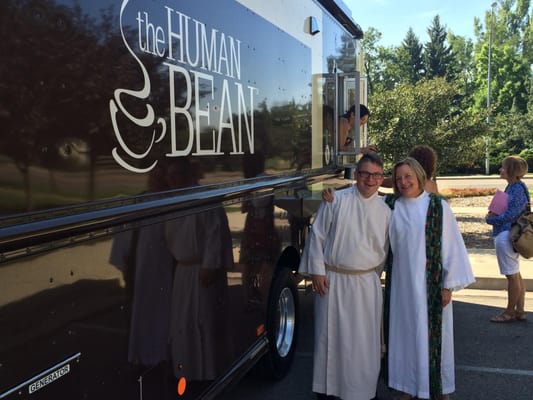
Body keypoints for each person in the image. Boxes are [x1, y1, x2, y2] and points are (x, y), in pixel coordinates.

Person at [299, 153, 392, 400]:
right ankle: (329, 391)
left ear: (382, 178)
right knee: (330, 339)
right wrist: (317, 271)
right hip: (333, 281)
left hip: (365, 284)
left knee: (363, 343)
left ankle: (362, 393)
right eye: (364, 174)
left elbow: (384, 250)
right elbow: (318, 235)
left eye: (375, 175)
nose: (369, 180)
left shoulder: (387, 210)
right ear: (356, 175)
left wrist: (373, 276)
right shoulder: (336, 200)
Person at [385, 157, 475, 400]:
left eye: (408, 177)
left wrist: (448, 286)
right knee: (404, 336)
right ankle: (407, 386)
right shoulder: (391, 205)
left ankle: (438, 388)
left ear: (419, 176)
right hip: (402, 286)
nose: (403, 182)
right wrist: (334, 198)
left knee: (434, 339)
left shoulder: (436, 206)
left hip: (431, 286)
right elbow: (362, 203)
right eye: (398, 178)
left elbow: (452, 247)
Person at [485, 155, 530, 323]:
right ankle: (520, 310)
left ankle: (509, 312)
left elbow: (510, 215)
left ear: (510, 171)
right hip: (509, 235)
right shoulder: (514, 187)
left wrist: (490, 219)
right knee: (515, 274)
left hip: (506, 235)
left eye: (503, 167)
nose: (500, 170)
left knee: (512, 276)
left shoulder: (516, 188)